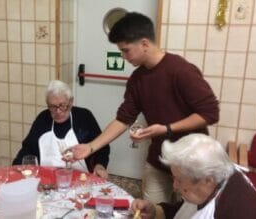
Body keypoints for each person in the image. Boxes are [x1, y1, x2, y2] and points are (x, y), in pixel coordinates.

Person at [72, 12, 219, 202]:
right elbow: (123, 118)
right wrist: (90, 147)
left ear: (144, 44)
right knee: (151, 210)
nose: (123, 57)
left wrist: (167, 129)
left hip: (192, 162)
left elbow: (210, 113)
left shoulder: (181, 70)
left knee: (187, 212)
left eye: (126, 50)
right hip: (159, 159)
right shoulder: (137, 78)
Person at [131, 134, 256, 219]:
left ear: (207, 181)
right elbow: (187, 210)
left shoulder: (239, 211)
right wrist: (155, 211)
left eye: (179, 180)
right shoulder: (217, 175)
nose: (174, 186)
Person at [13, 80, 110, 179]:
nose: (58, 111)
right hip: (47, 179)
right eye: (53, 107)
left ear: (71, 102)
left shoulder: (84, 117)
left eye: (62, 106)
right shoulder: (43, 119)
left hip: (80, 179)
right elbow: (28, 149)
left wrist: (100, 166)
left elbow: (102, 148)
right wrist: (16, 167)